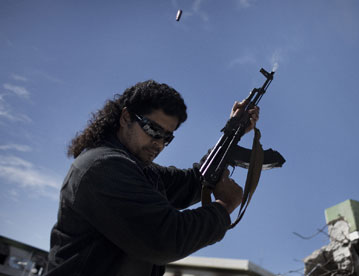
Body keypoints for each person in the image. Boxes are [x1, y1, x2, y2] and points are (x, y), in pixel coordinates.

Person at [45, 80, 259, 276]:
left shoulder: (140, 171)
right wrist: (224, 207)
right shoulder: (103, 167)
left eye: (167, 137)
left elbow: (194, 181)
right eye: (153, 130)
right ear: (125, 117)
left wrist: (233, 132)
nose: (159, 143)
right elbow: (165, 239)